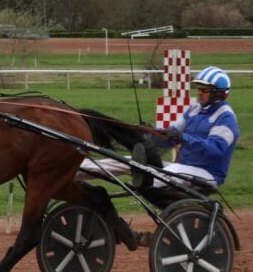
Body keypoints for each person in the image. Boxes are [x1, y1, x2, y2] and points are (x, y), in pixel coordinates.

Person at [77, 65, 240, 190]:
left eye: (204, 90)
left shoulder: (226, 118)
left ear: (219, 94)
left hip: (208, 174)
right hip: (184, 168)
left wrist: (181, 137)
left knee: (166, 173)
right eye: (199, 88)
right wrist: (152, 132)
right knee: (129, 161)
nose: (200, 93)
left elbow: (214, 149)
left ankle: (142, 186)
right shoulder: (195, 110)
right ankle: (78, 171)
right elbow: (170, 135)